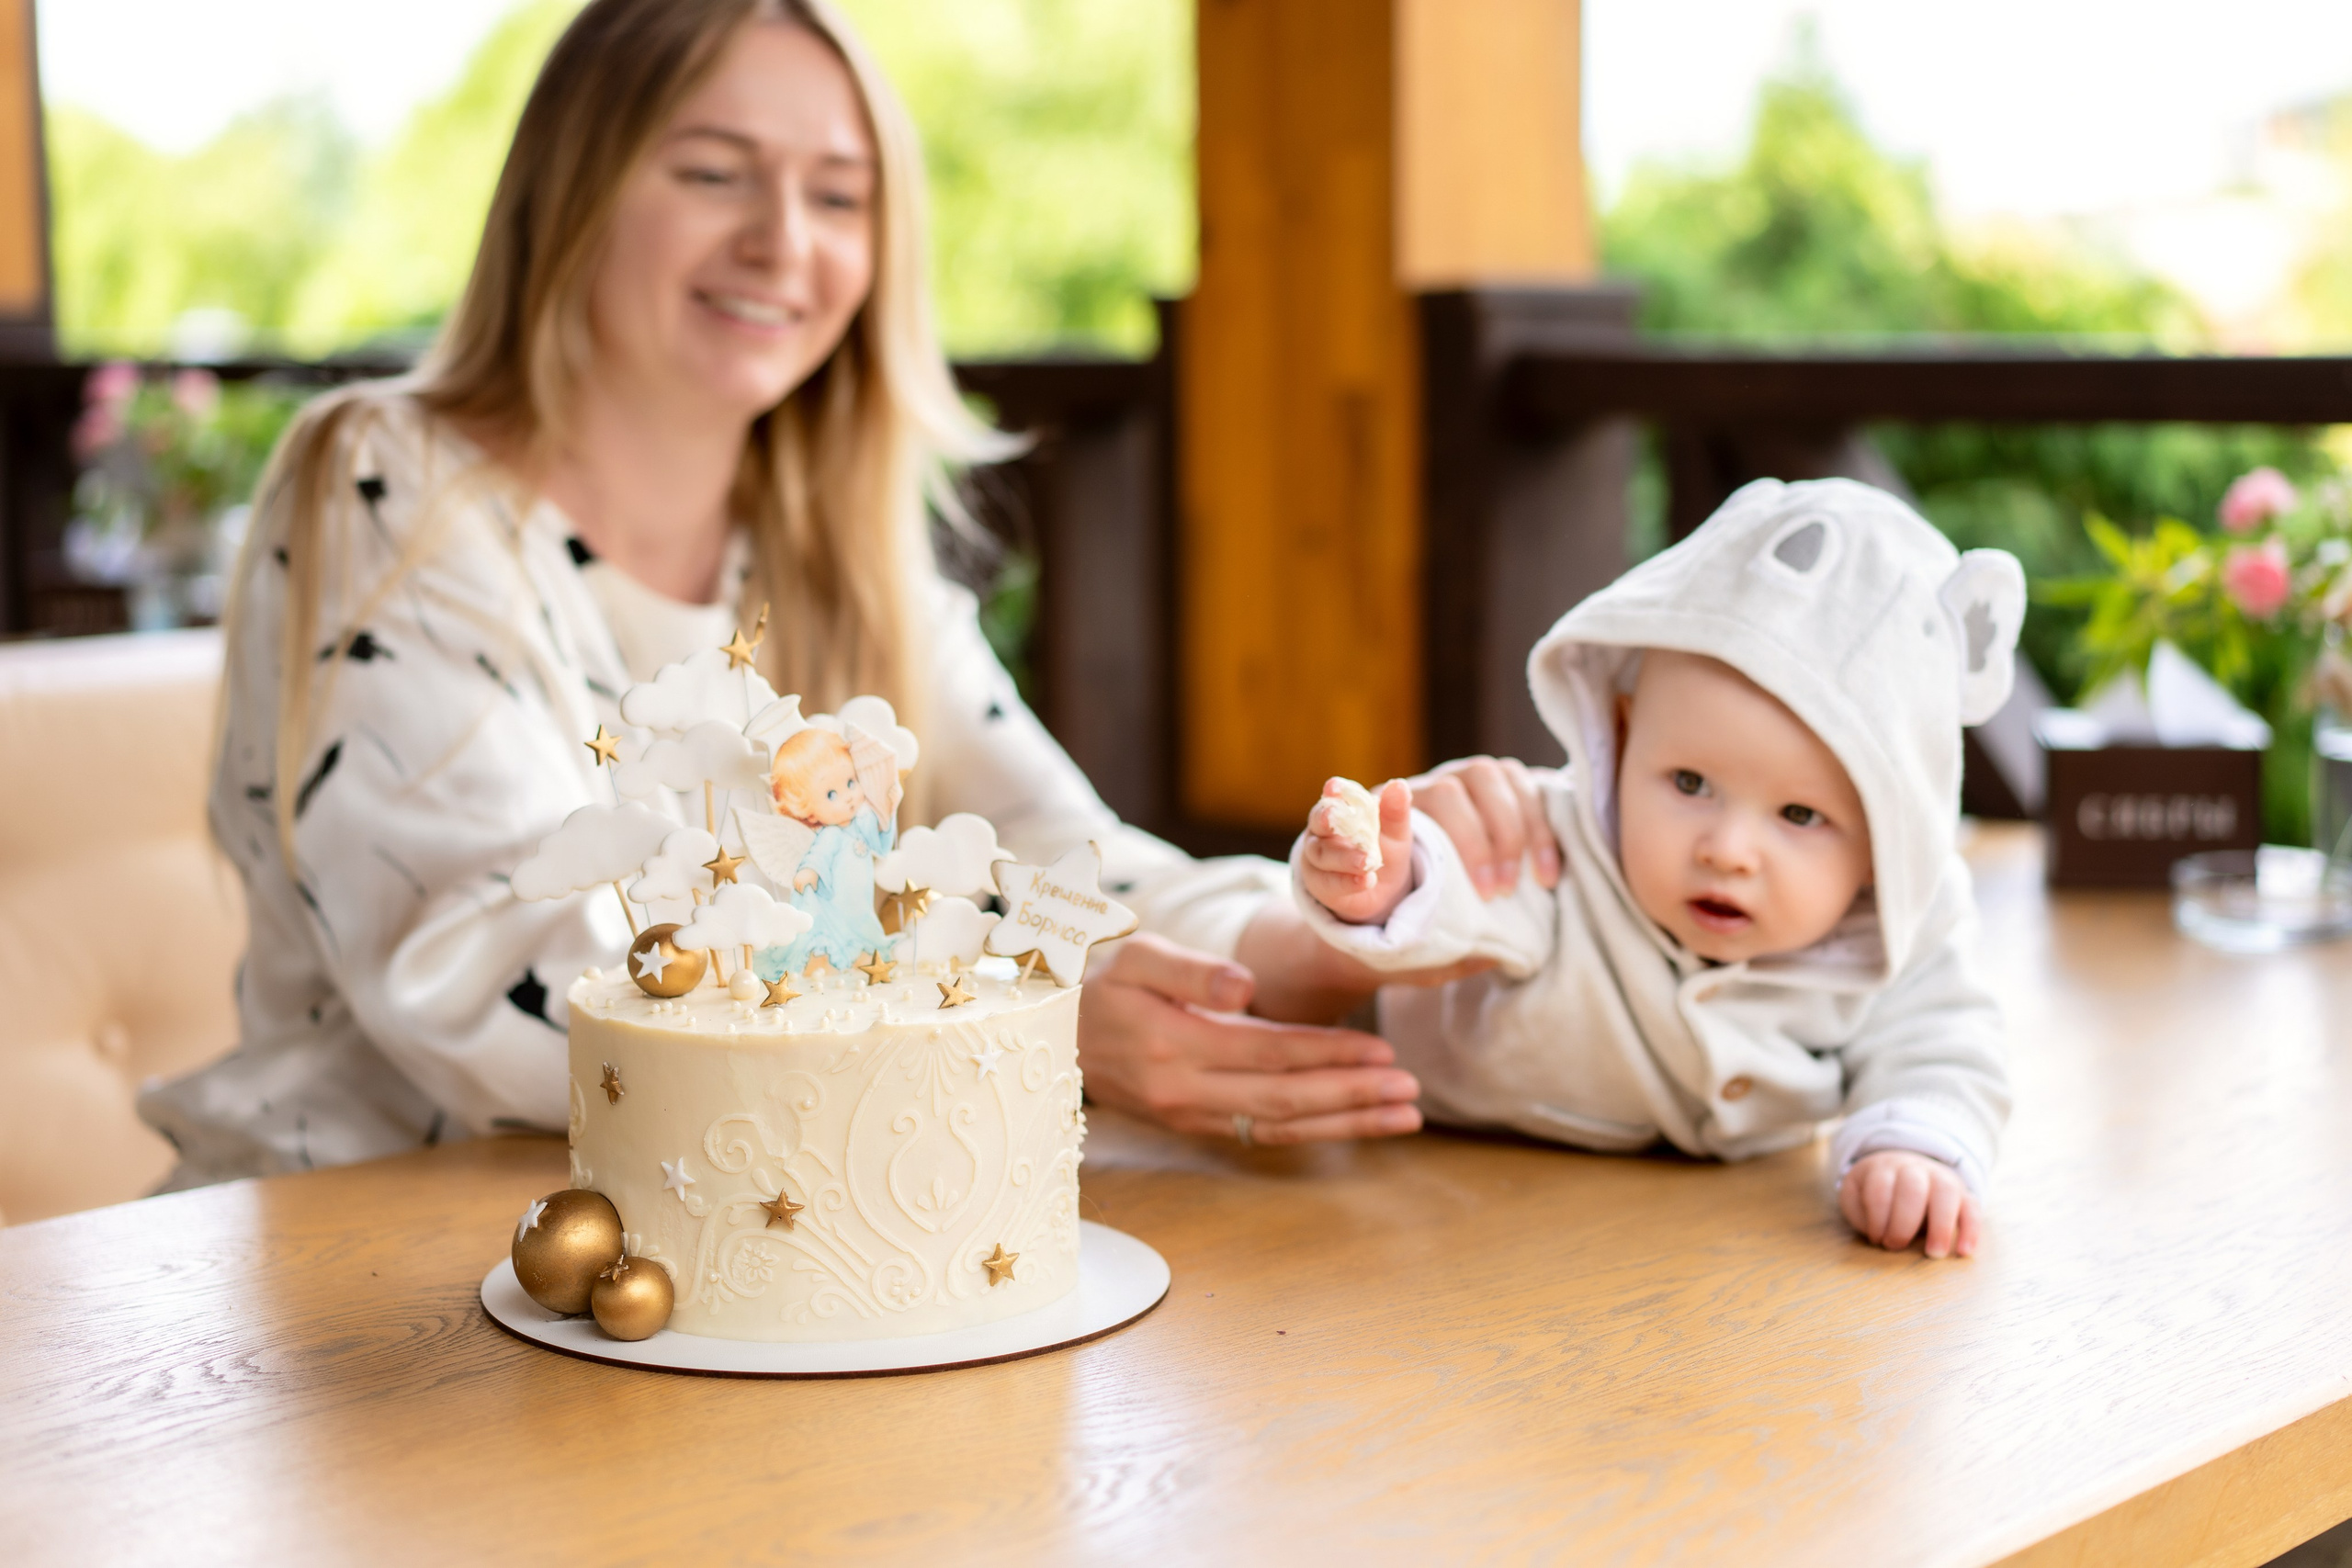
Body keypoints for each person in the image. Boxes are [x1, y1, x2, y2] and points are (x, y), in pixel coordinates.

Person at [140, 0, 1545, 1183]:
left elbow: (1065, 865)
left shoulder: (837, 545)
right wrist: (1018, 1006)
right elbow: (497, 969)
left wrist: (1330, 928)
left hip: (750, 1241)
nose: (783, 241)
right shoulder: (386, 481)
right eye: (713, 173)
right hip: (368, 1258)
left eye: (837, 196)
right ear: (569, 192)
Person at [1295, 479, 2019, 1259]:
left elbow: (1943, 1041)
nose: (1727, 850)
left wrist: (1913, 1145)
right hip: (1416, 1174)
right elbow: (1464, 892)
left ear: (1885, 842)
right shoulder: (1561, 844)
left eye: (1799, 815)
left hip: (1667, 1245)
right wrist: (1390, 878)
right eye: (1690, 783)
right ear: (1621, 735)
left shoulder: (1899, 926)